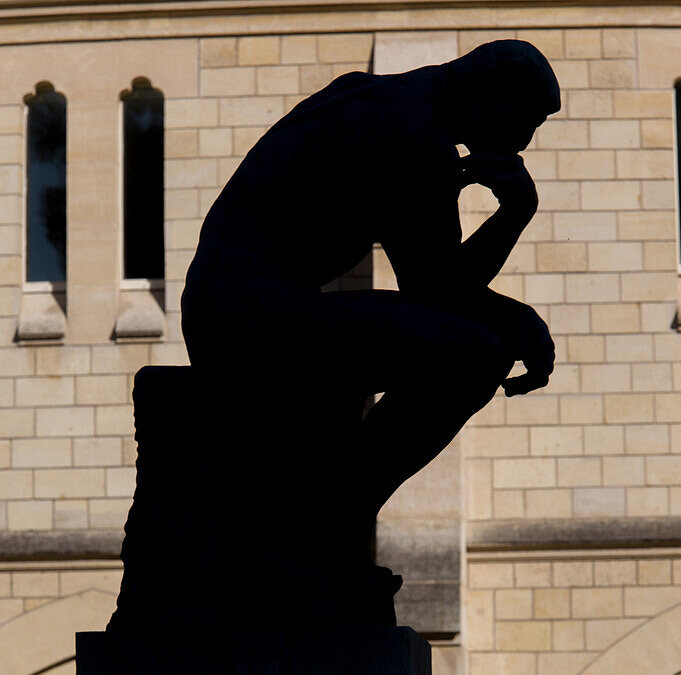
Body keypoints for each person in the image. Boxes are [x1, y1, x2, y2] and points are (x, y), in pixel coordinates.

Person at [109, 41, 562, 633]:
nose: (522, 141)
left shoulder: (381, 98)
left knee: (475, 339)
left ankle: (320, 528)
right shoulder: (410, 133)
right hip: (250, 319)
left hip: (237, 307)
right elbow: (438, 290)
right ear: (488, 93)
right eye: (523, 120)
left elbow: (440, 287)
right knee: (477, 354)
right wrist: (516, 220)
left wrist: (506, 299)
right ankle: (329, 524)